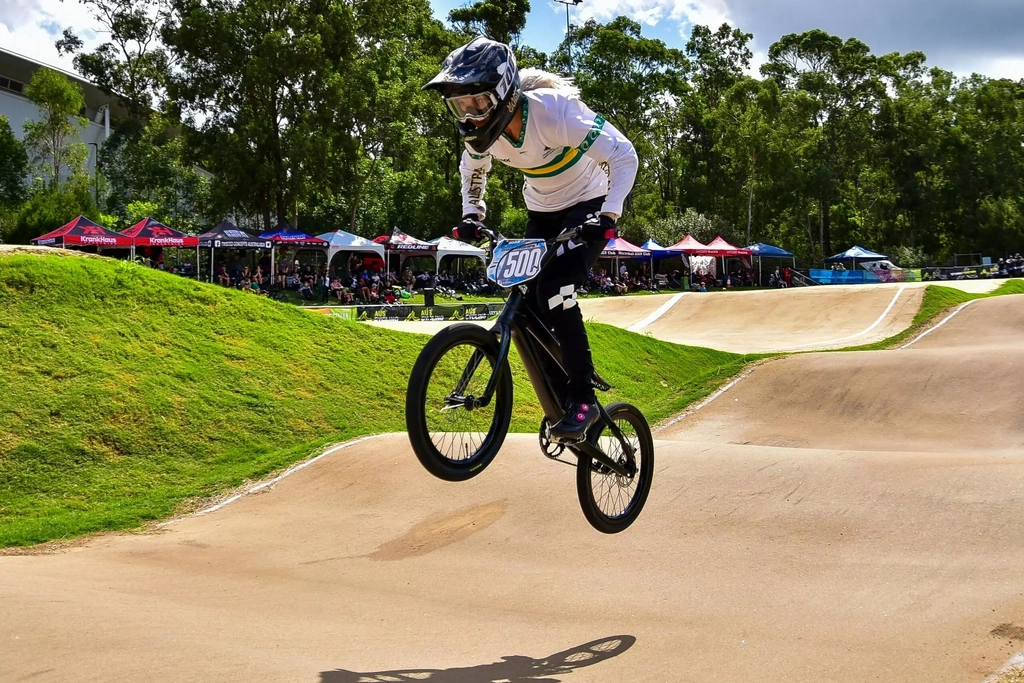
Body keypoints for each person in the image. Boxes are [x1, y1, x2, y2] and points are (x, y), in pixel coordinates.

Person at [423, 35, 638, 442]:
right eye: (459, 106)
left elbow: (624, 155)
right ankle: (560, 399)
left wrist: (608, 215)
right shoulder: (483, 135)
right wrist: (472, 215)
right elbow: (472, 170)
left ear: (504, 96)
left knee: (556, 290)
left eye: (477, 103)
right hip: (540, 210)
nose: (469, 116)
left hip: (588, 203)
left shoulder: (556, 113)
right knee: (526, 299)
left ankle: (583, 399)